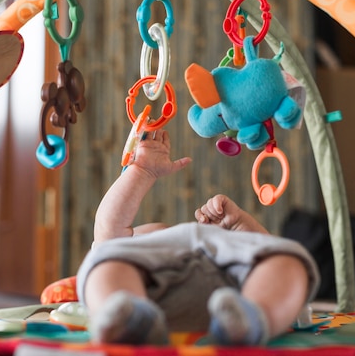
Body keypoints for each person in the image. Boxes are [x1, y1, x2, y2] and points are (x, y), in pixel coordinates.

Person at [76, 128, 320, 346]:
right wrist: (141, 172)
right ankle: (130, 318)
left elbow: (267, 251)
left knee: (286, 262)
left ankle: (253, 317)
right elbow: (108, 232)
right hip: (149, 296)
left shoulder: (216, 244)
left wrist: (237, 226)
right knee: (106, 265)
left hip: (236, 293)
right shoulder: (134, 252)